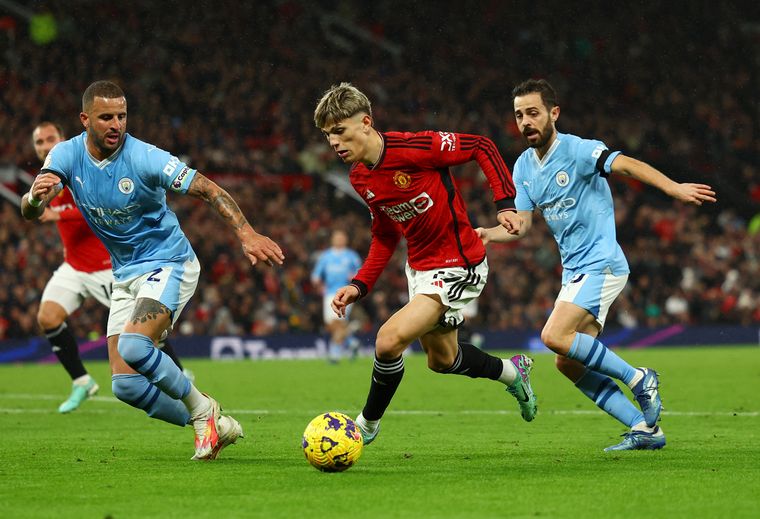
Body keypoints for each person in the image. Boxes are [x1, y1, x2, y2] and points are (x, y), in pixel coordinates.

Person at [22, 81, 285, 460]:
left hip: (169, 261)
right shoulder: (65, 155)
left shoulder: (146, 158)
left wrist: (245, 231)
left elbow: (209, 189)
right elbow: (30, 212)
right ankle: (216, 424)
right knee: (125, 386)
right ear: (85, 119)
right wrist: (33, 198)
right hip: (124, 273)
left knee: (135, 345)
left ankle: (203, 411)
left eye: (122, 116)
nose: (117, 124)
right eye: (106, 117)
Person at [478, 78, 716, 451]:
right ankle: (645, 430)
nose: (526, 121)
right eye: (520, 115)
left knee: (553, 335)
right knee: (567, 363)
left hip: (602, 262)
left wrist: (672, 188)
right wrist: (491, 234)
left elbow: (628, 165)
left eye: (533, 113)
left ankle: (639, 379)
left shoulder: (579, 150)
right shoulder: (523, 167)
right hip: (574, 271)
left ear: (553, 113)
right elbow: (521, 226)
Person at [313, 82, 537, 445]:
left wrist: (505, 203)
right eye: (327, 136)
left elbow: (481, 146)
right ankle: (514, 373)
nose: (334, 142)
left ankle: (365, 426)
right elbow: (385, 235)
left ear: (366, 122)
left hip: (459, 263)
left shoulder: (413, 148)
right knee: (442, 361)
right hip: (419, 269)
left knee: (387, 341)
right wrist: (359, 285)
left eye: (339, 131)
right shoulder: (360, 176)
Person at [31, 122, 192, 414]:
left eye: (49, 139)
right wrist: (37, 204)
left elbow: (96, 203)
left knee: (142, 329)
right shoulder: (50, 175)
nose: (44, 145)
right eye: (39, 142)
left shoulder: (74, 166)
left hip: (106, 267)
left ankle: (180, 374)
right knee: (48, 317)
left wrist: (60, 214)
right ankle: (81, 381)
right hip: (74, 267)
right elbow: (37, 205)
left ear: (61, 139)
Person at [311, 229, 362, 362]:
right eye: (336, 237)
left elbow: (361, 273)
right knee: (331, 324)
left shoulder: (352, 256)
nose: (339, 239)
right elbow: (315, 275)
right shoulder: (326, 256)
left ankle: (334, 353)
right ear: (332, 239)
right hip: (329, 293)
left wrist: (355, 278)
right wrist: (318, 283)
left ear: (345, 239)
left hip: (346, 293)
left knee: (338, 321)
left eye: (341, 237)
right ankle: (351, 340)